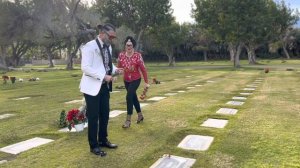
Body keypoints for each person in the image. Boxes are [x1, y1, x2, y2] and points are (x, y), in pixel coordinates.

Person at [79, 23, 123, 156]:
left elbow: (106, 65)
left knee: (105, 115)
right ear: (102, 34)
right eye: (111, 36)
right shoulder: (89, 46)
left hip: (103, 87)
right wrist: (104, 76)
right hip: (91, 88)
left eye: (114, 37)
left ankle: (103, 140)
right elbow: (85, 68)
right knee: (93, 117)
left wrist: (116, 70)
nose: (112, 39)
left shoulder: (108, 48)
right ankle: (94, 146)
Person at [117, 36, 150, 128]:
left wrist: (146, 82)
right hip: (126, 80)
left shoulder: (138, 56)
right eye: (127, 45)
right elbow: (119, 67)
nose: (128, 47)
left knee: (128, 97)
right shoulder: (121, 55)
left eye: (130, 45)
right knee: (133, 97)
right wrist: (115, 74)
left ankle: (128, 120)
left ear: (133, 46)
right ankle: (140, 115)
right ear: (125, 45)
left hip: (136, 79)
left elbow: (143, 69)